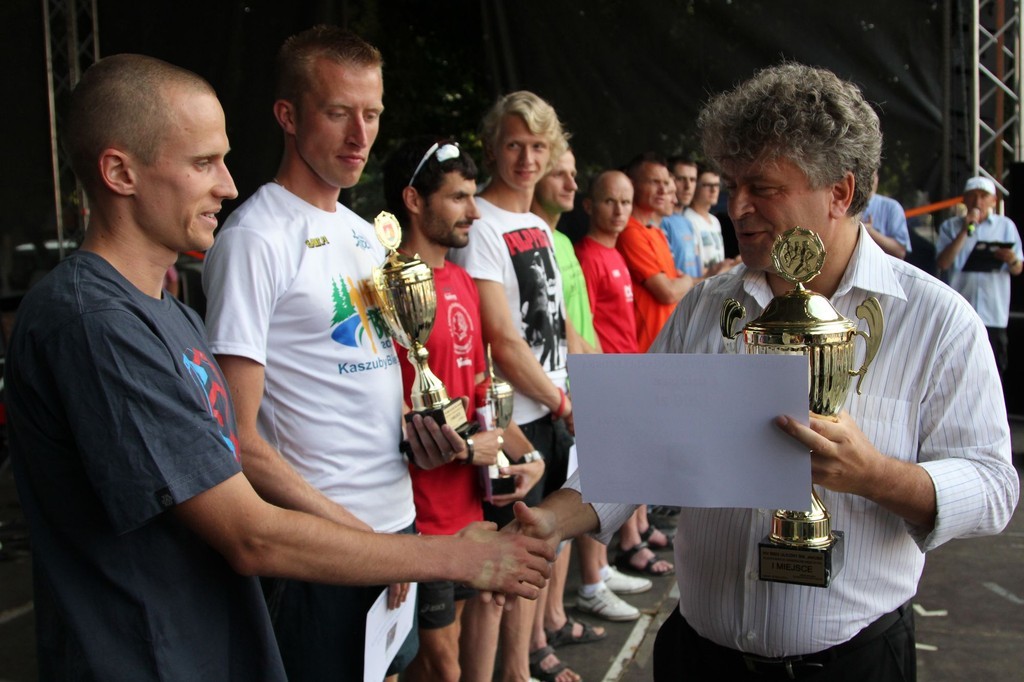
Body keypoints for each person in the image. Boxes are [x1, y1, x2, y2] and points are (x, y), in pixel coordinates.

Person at [4, 53, 552, 682]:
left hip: (213, 638)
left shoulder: (168, 314)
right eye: (203, 162)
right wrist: (452, 556)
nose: (227, 185)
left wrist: (419, 451)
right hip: (147, 655)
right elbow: (250, 532)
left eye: (224, 160)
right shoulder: (93, 323)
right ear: (120, 172)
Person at [520, 62, 1019, 682]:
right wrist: (549, 523)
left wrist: (877, 476)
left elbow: (993, 487)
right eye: (731, 185)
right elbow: (634, 453)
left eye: (762, 187)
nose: (737, 207)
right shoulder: (705, 307)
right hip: (699, 658)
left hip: (854, 665)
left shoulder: (935, 320)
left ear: (840, 192)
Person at [201, 27, 495, 681]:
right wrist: (363, 542)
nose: (360, 135)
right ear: (288, 115)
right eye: (338, 113)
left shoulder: (367, 237)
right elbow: (237, 440)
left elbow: (370, 384)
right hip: (321, 549)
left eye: (372, 114)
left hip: (398, 526)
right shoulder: (255, 239)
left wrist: (426, 438)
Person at [381, 135, 546, 682]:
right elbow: (383, 411)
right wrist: (467, 448)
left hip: (469, 511)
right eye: (458, 197)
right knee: (440, 665)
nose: (474, 211)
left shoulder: (459, 280)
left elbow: (479, 389)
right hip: (417, 518)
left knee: (462, 647)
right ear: (413, 200)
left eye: (473, 196)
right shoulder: (386, 286)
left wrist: (525, 455)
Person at [448, 90, 575, 682]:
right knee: (496, 576)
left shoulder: (537, 224)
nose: (527, 159)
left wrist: (577, 392)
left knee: (537, 556)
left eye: (538, 147)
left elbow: (555, 324)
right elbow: (500, 337)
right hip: (509, 421)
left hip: (550, 409)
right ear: (493, 148)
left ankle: (519, 671)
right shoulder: (481, 223)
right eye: (515, 145)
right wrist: (561, 401)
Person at [936, 175, 1023, 378]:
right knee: (956, 372)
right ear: (964, 200)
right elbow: (943, 263)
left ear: (993, 201)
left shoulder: (1006, 226)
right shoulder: (950, 226)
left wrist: (1011, 259)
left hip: (993, 313)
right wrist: (964, 231)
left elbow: (1018, 268)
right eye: (973, 196)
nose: (978, 202)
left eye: (984, 196)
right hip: (960, 312)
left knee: (992, 372)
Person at [616, 152, 696, 352]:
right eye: (654, 182)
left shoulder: (655, 232)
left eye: (665, 183)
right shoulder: (629, 232)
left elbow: (673, 288)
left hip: (665, 345)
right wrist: (687, 281)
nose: (663, 190)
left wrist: (680, 284)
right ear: (632, 184)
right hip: (646, 349)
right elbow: (668, 292)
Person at [663, 156, 704, 277]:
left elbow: (698, 273)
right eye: (681, 179)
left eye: (693, 180)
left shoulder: (688, 223)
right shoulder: (662, 221)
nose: (688, 186)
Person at [684, 165, 728, 270]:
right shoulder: (687, 219)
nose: (714, 190)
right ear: (695, 187)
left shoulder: (715, 221)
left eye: (717, 185)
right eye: (708, 185)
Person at [862, 170, 912, 259]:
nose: (869, 180)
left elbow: (900, 252)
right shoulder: (844, 206)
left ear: (877, 178)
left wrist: (869, 231)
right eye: (865, 174)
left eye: (873, 175)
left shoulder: (892, 207)